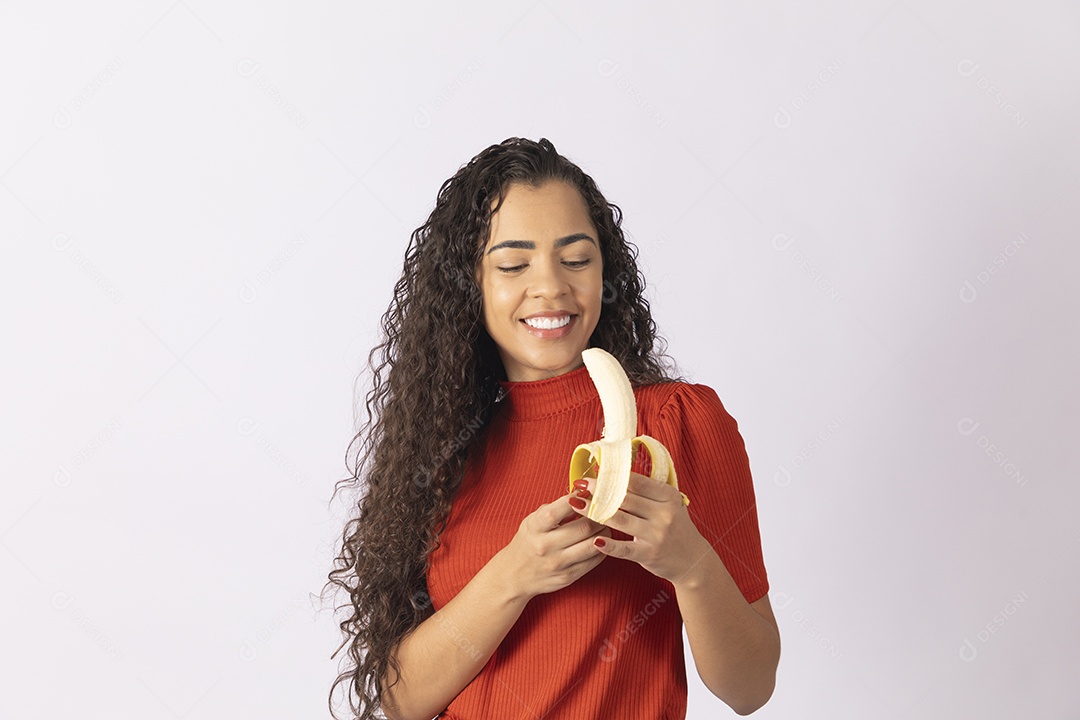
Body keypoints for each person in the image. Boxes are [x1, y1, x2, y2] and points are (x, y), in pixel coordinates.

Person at [324, 137, 779, 719]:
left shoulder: (676, 421)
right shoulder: (445, 446)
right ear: (470, 283)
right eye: (513, 264)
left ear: (605, 270)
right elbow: (402, 701)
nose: (551, 287)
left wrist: (690, 563)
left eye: (577, 259)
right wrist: (514, 574)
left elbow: (751, 687)